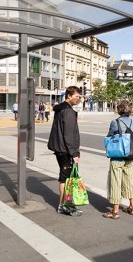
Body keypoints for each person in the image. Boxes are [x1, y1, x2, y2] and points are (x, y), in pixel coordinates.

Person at [47, 86, 83, 217]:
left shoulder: (61, 109)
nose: (78, 99)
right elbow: (69, 135)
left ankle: (64, 204)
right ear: (69, 96)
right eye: (76, 96)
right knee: (67, 179)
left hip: (60, 149)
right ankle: (64, 206)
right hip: (66, 151)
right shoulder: (67, 112)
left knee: (64, 178)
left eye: (79, 96)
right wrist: (74, 153)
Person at [103, 100, 133, 220]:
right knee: (129, 180)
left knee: (115, 182)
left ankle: (115, 211)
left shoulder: (115, 122)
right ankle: (132, 207)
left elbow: (110, 136)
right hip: (129, 155)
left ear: (120, 109)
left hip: (117, 156)